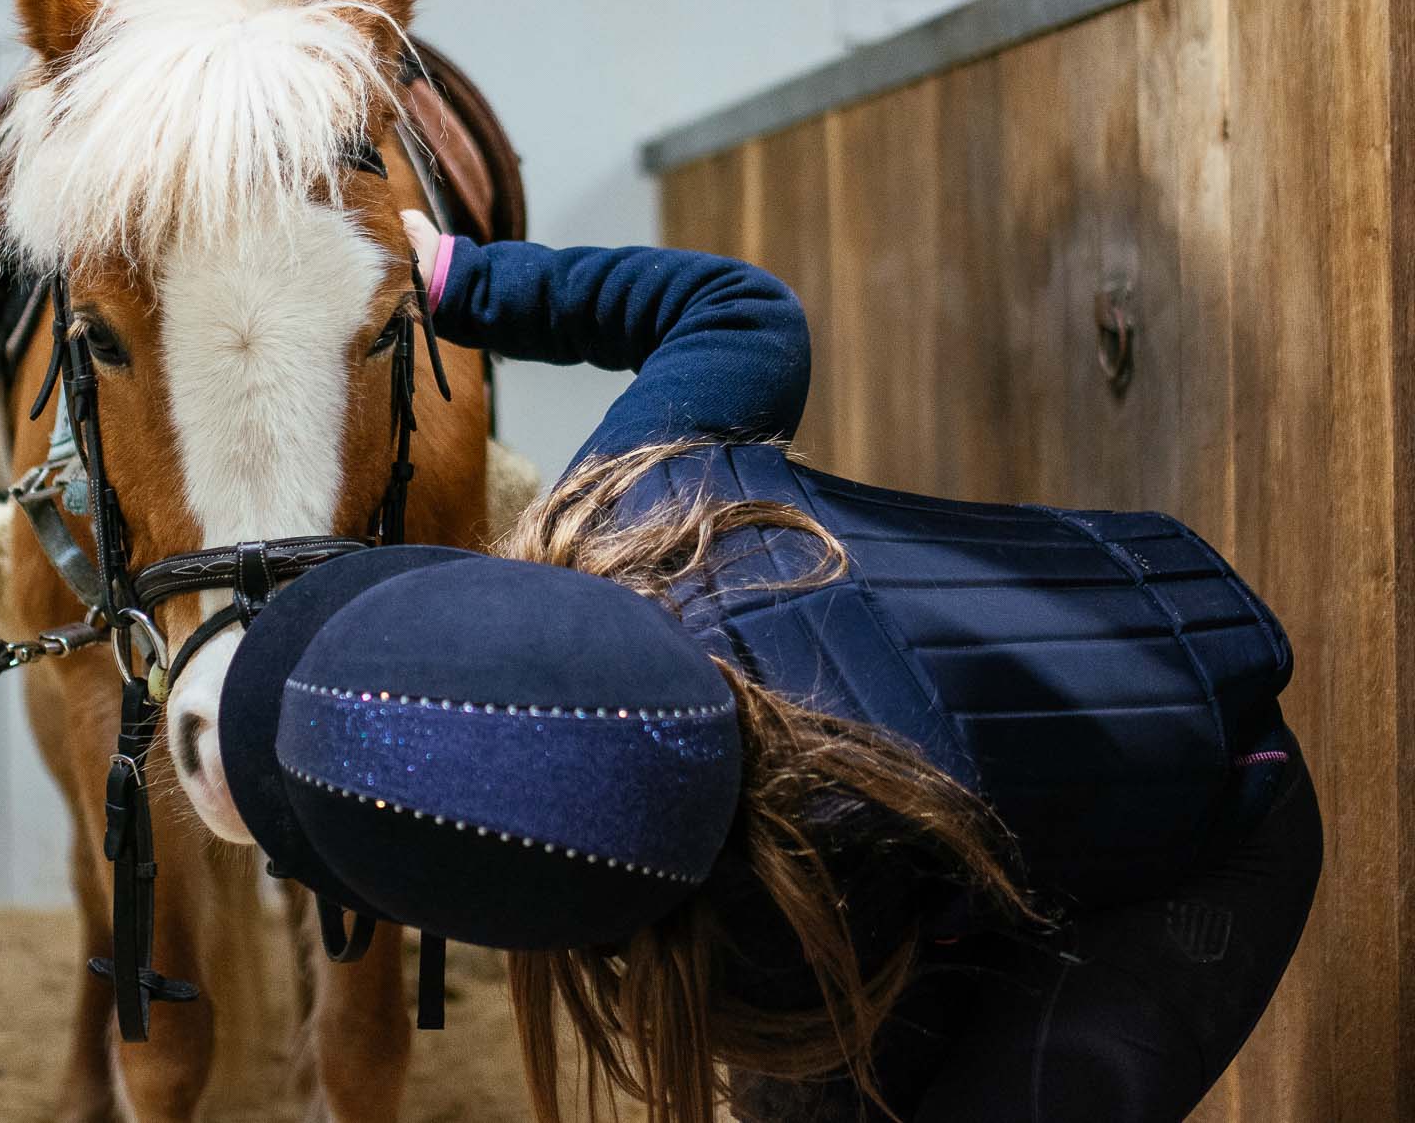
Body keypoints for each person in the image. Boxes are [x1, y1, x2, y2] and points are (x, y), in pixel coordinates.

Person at [213, 213, 1320, 1123]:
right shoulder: (631, 493)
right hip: (986, 767)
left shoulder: (764, 915)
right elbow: (738, 312)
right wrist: (467, 279)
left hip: (1205, 823)